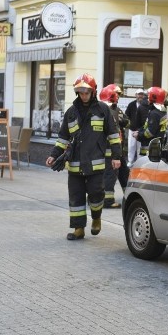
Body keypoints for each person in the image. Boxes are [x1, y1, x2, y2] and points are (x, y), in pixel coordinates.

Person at [46, 73, 121, 240]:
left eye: (86, 92)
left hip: (96, 164)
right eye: (81, 92)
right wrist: (53, 155)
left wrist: (116, 157)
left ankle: (96, 218)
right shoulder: (71, 112)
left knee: (96, 194)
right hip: (75, 164)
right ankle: (78, 228)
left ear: (93, 92)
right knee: (76, 197)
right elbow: (63, 137)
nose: (84, 95)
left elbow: (113, 135)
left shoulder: (103, 110)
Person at [99, 84, 129, 209]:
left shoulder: (113, 109)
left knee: (124, 173)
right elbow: (116, 129)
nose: (118, 97)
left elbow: (127, 121)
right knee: (109, 175)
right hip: (111, 150)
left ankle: (129, 196)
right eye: (117, 95)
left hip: (116, 150)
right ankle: (107, 200)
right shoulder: (110, 111)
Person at [133, 86, 168, 156]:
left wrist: (139, 135)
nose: (147, 98)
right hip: (157, 146)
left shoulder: (154, 113)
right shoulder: (162, 111)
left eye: (148, 96)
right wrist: (140, 131)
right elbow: (150, 126)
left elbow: (150, 132)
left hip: (150, 149)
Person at [125, 88, 145, 166]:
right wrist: (130, 123)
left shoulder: (145, 105)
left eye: (141, 94)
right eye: (139, 94)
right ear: (136, 95)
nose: (140, 96)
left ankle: (139, 162)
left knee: (140, 146)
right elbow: (127, 115)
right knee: (131, 145)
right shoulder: (131, 104)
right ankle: (130, 160)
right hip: (132, 129)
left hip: (141, 129)